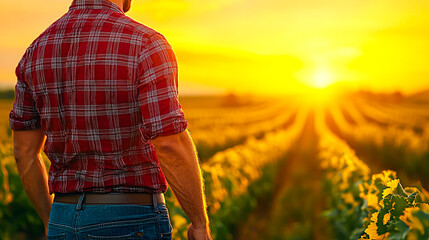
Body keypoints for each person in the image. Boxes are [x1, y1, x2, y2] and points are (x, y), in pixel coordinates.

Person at [9, 0, 212, 239]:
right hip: (129, 219)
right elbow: (169, 143)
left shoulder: (35, 51)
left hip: (62, 220)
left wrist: (49, 219)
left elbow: (25, 153)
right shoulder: (146, 44)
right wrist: (199, 223)